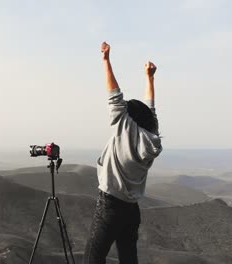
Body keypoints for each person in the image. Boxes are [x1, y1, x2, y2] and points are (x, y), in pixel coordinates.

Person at [83, 41, 163, 264]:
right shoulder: (152, 138)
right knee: (128, 258)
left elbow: (114, 97)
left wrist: (106, 60)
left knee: (92, 259)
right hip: (131, 210)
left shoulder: (124, 130)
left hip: (110, 206)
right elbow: (150, 110)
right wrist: (150, 78)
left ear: (130, 119)